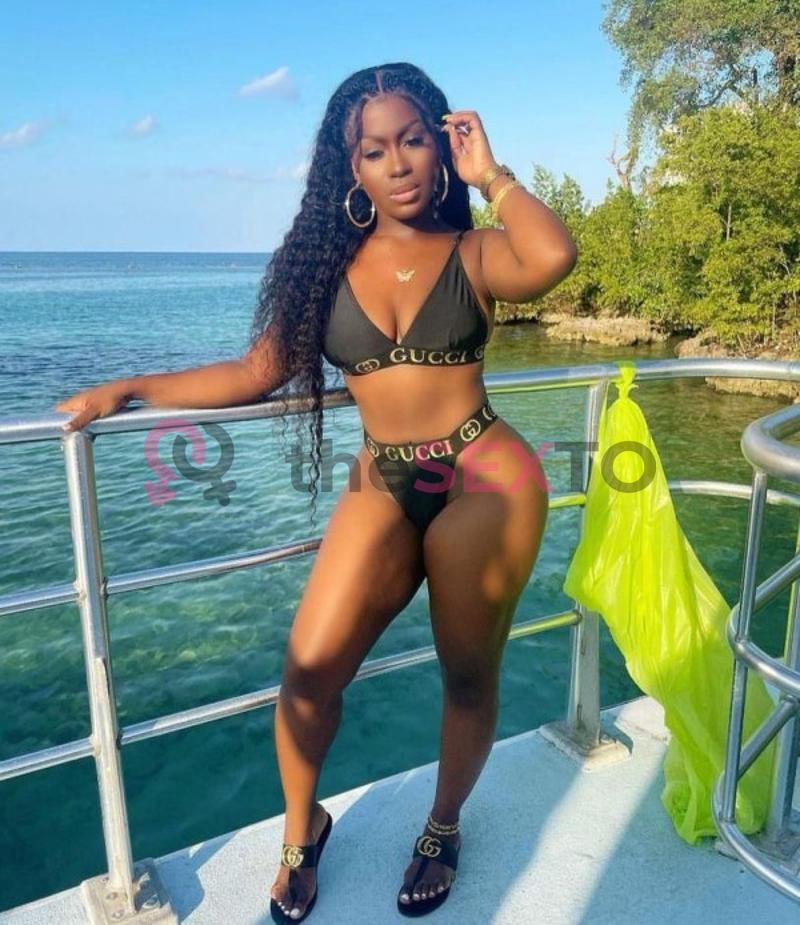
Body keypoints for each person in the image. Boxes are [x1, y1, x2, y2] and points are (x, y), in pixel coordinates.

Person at [55, 62, 577, 922]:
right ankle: (304, 830)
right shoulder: (326, 271)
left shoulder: (474, 250)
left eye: (414, 140)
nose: (398, 163)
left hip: (486, 473)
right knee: (307, 674)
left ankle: (443, 826)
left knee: (466, 672)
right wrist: (132, 387)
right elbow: (256, 370)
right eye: (374, 150)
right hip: (385, 474)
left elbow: (552, 255)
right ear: (350, 168)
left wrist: (493, 176)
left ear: (441, 146)